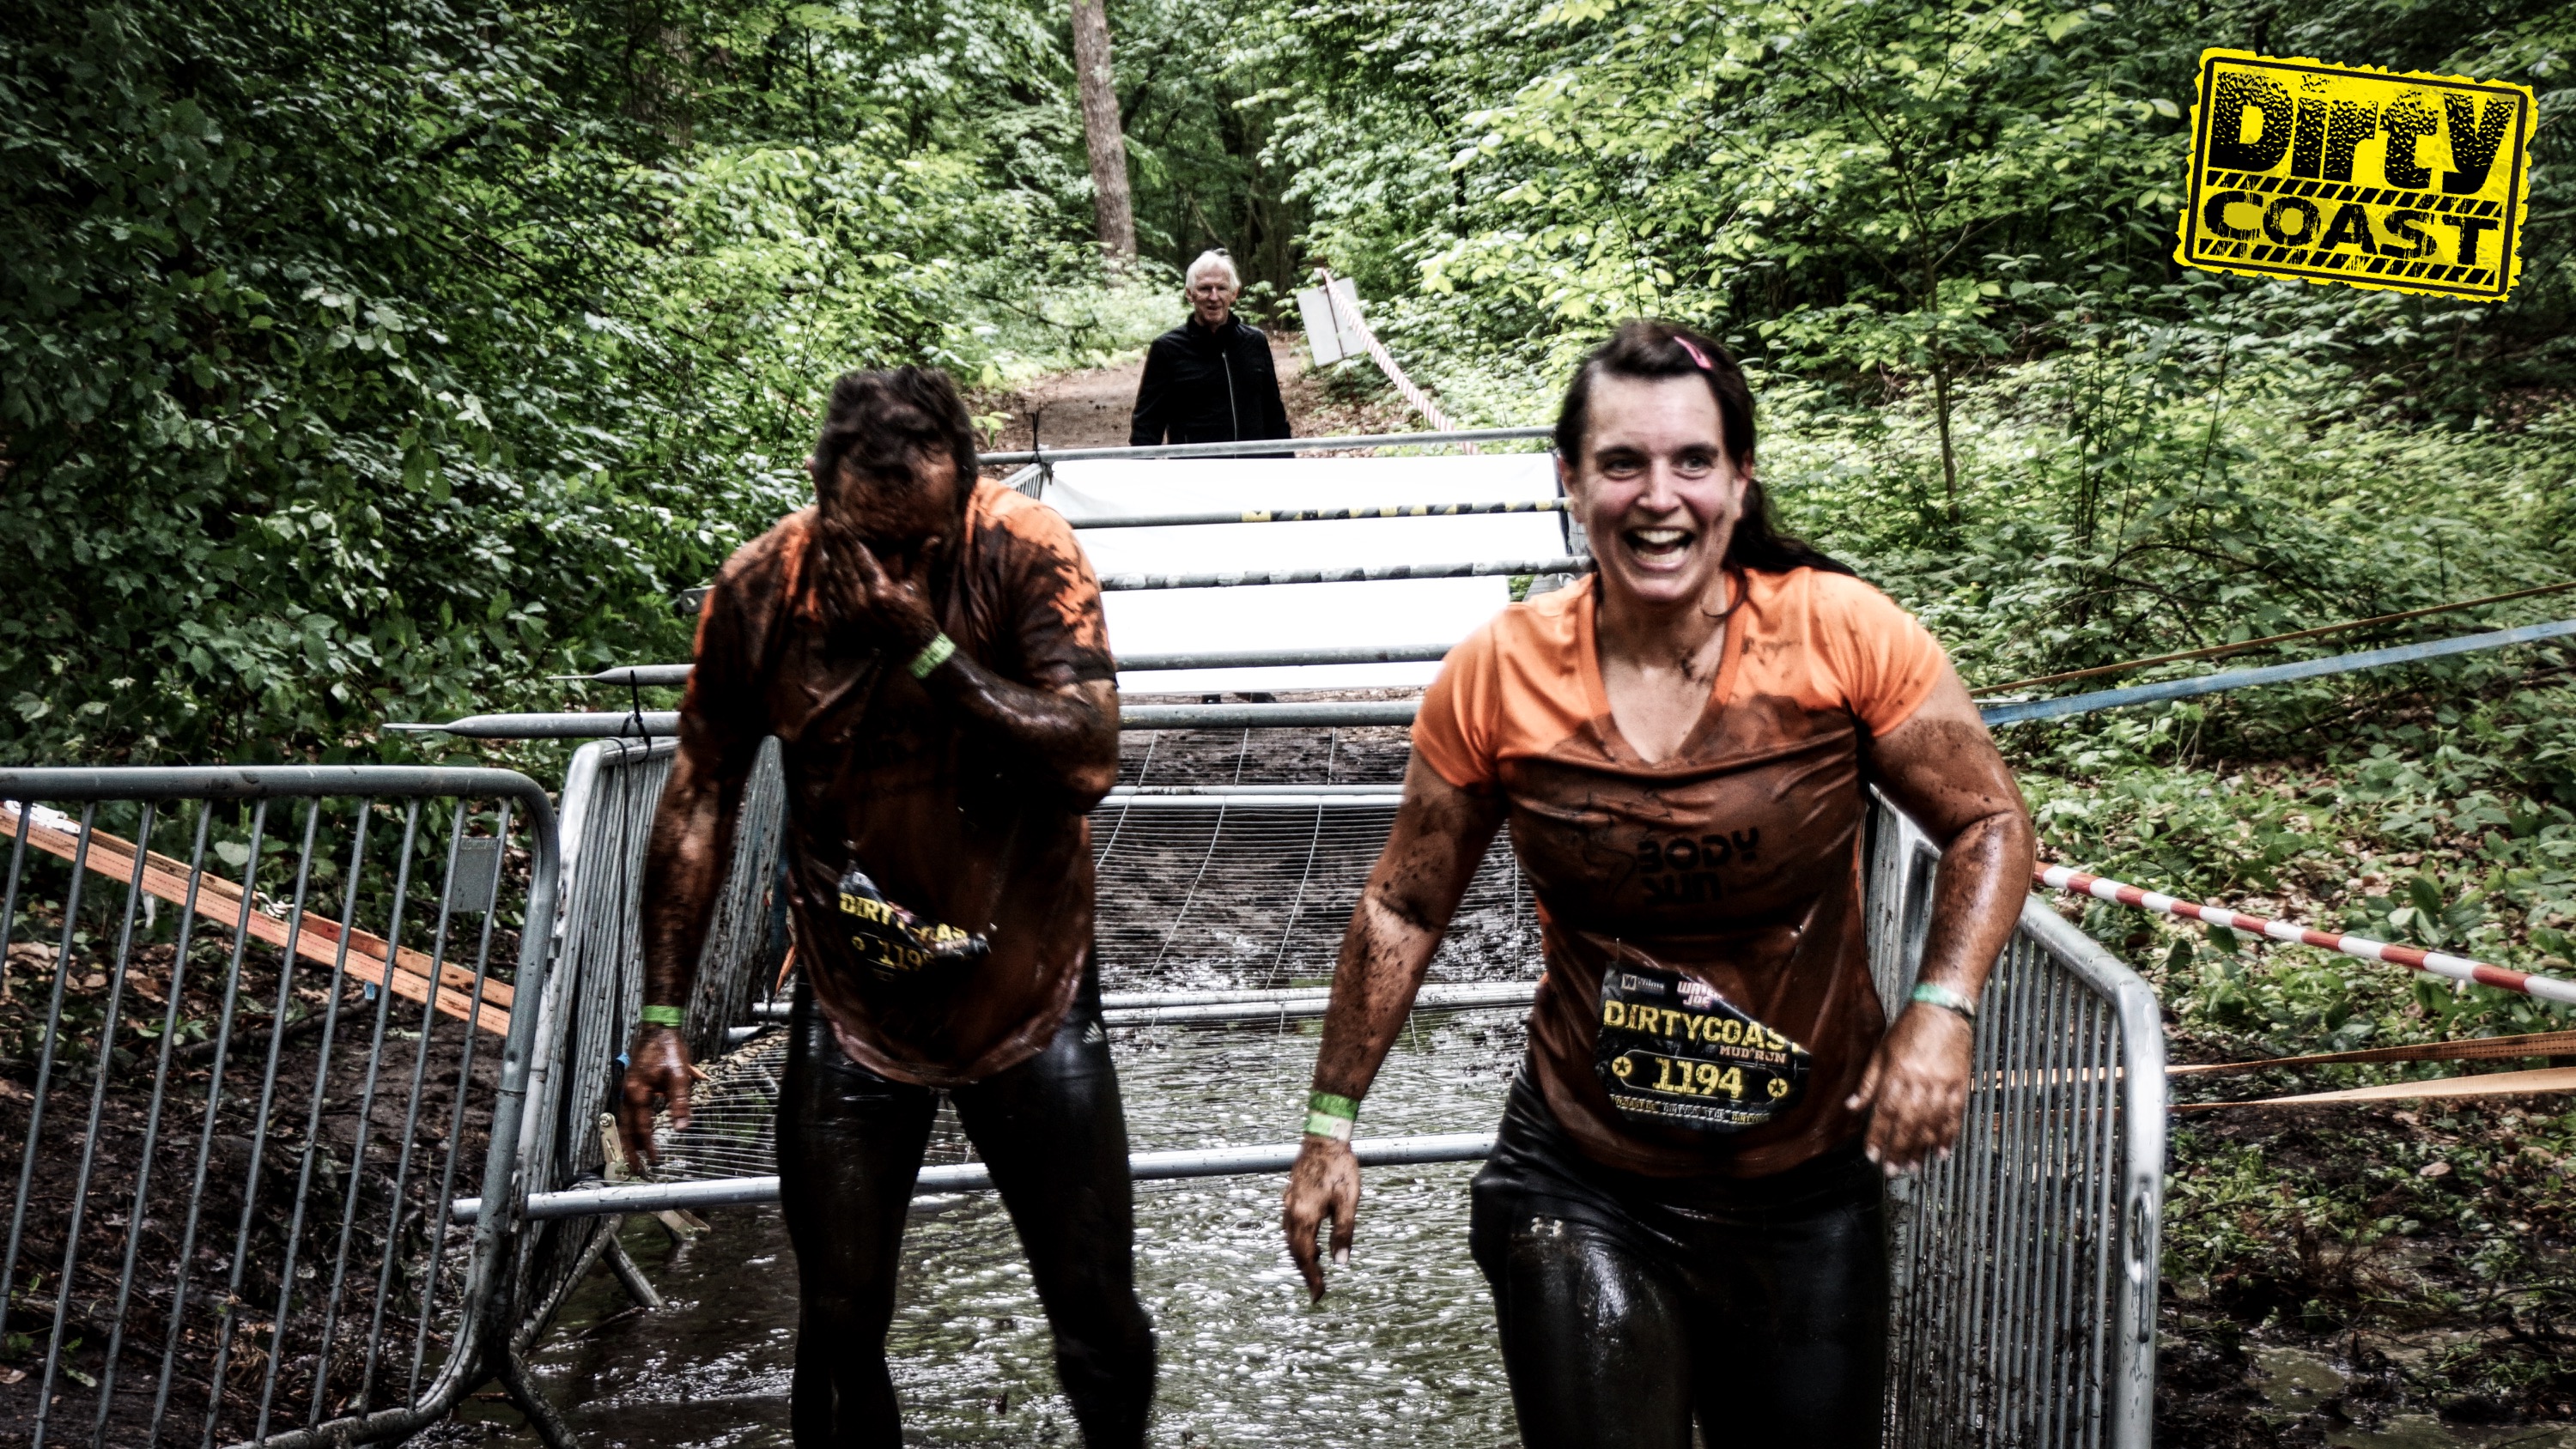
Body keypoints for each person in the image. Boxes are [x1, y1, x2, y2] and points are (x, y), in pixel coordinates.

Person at [1278, 321, 2035, 1449]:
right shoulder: (1500, 673)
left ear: (1739, 478)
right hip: (1586, 1174)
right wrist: (1329, 1124)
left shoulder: (1838, 633)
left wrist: (1942, 1006)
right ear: (1572, 479)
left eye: (1692, 461)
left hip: (1802, 1183)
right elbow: (1405, 902)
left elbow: (1988, 820)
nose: (1658, 496)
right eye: (1623, 463)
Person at [618, 367, 1156, 1447]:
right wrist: (663, 1017)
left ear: (965, 497)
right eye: (869, 542)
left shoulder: (1026, 549)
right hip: (856, 998)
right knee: (838, 1323)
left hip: (1028, 984)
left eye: (921, 546)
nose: (892, 571)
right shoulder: (763, 587)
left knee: (1096, 1309)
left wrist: (930, 646)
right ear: (823, 494)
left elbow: (1090, 758)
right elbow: (699, 793)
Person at [1127, 249, 1292, 448]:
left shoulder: (1255, 342)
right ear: (1190, 293)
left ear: (1234, 293)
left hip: (1252, 465)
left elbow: (1275, 416)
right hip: (1197, 466)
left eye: (1221, 288)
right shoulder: (1167, 349)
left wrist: (1286, 461)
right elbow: (1146, 426)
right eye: (1205, 288)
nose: (1214, 297)